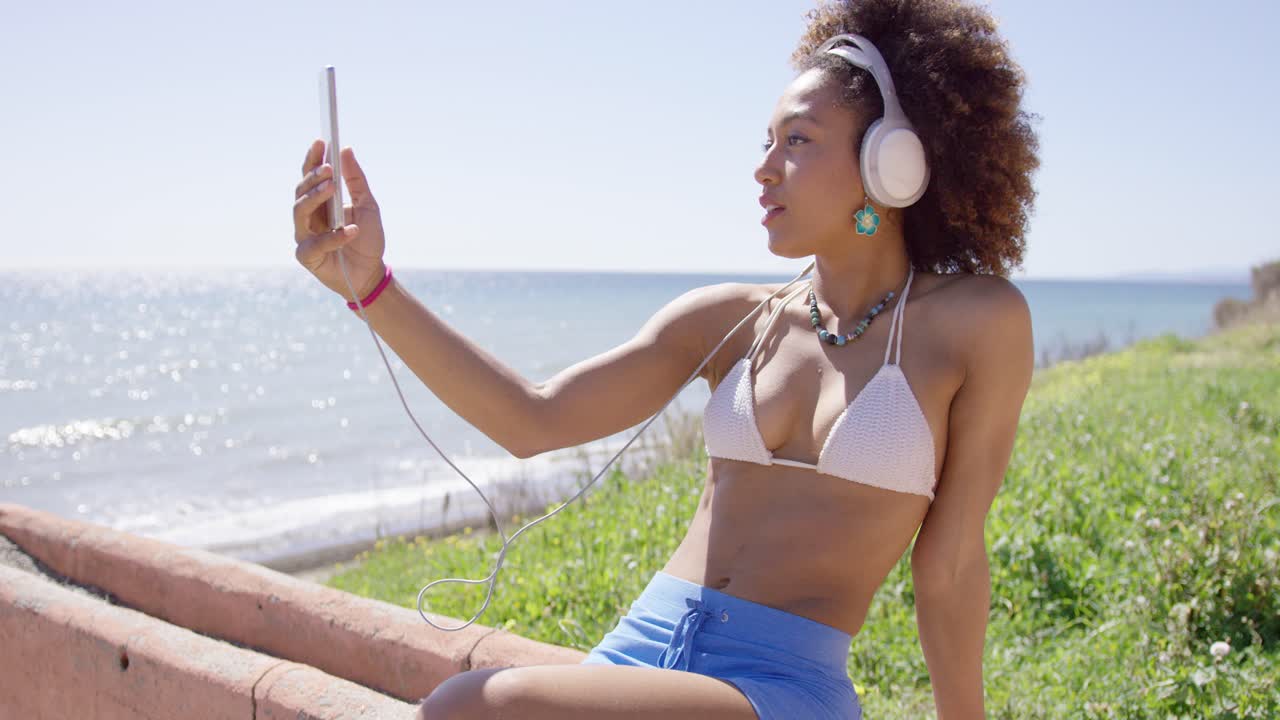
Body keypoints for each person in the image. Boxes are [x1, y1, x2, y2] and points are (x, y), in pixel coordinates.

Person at [292, 0, 1039, 716]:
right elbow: (532, 418)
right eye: (766, 141)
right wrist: (369, 286)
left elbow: (948, 565)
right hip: (638, 657)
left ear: (891, 162)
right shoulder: (731, 321)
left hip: (782, 688)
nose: (765, 167)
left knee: (469, 706)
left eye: (798, 140)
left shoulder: (976, 324)